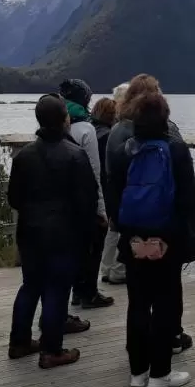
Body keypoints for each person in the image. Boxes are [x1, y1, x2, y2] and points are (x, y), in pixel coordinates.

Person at [106, 91, 195, 387]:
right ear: (165, 118)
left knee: (138, 303)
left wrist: (125, 229)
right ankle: (160, 374)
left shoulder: (123, 151)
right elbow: (186, 200)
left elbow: (113, 198)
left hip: (132, 236)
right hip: (167, 237)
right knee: (165, 302)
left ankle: (137, 372)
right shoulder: (177, 150)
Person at [7, 94, 99, 369]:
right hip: (64, 233)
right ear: (64, 120)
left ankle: (19, 341)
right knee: (57, 289)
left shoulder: (23, 156)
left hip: (30, 231)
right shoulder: (75, 155)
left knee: (30, 285)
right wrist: (88, 234)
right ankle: (51, 350)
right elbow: (88, 201)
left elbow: (13, 199)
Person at [59, 79, 114, 310]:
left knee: (70, 250)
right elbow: (95, 172)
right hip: (84, 201)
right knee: (92, 248)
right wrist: (101, 209)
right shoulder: (86, 129)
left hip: (60, 201)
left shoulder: (56, 123)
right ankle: (88, 293)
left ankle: (73, 293)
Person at [99, 84, 130, 286]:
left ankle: (106, 267)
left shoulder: (112, 127)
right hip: (121, 185)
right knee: (123, 227)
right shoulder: (125, 128)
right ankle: (119, 269)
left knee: (112, 228)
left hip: (109, 183)